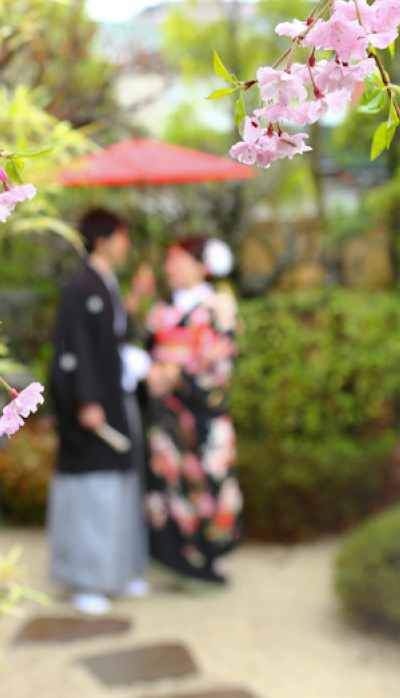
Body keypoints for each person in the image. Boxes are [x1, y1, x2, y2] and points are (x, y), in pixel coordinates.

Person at [48, 208, 152, 615]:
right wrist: (86, 400)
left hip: (114, 400)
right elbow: (75, 348)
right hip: (93, 407)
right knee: (94, 490)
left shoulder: (104, 285)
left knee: (120, 484)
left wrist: (136, 300)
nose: (127, 245)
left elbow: (110, 338)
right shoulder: (82, 287)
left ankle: (116, 570)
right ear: (106, 240)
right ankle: (86, 578)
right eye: (123, 237)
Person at [145, 236, 243, 585]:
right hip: (166, 416)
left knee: (210, 483)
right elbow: (147, 351)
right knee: (168, 482)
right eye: (168, 259)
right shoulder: (159, 309)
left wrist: (173, 374)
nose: (169, 266)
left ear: (201, 265)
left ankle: (208, 559)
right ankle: (174, 559)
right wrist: (151, 372)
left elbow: (219, 359)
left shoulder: (219, 305)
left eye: (178, 259)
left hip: (203, 413)